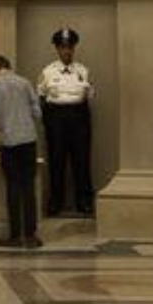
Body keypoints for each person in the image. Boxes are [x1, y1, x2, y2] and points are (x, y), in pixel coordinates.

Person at [0, 55, 43, 249]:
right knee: (29, 188)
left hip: (8, 142)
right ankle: (31, 236)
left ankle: (15, 236)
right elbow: (37, 112)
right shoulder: (25, 82)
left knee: (13, 187)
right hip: (29, 140)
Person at [37, 27, 95, 217]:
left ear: (74, 48)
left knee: (82, 160)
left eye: (69, 47)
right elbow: (41, 96)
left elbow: (89, 96)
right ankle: (55, 202)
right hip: (56, 118)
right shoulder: (47, 71)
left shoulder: (83, 70)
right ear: (57, 48)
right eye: (62, 47)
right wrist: (49, 121)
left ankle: (84, 202)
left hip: (79, 117)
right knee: (56, 161)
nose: (66, 51)